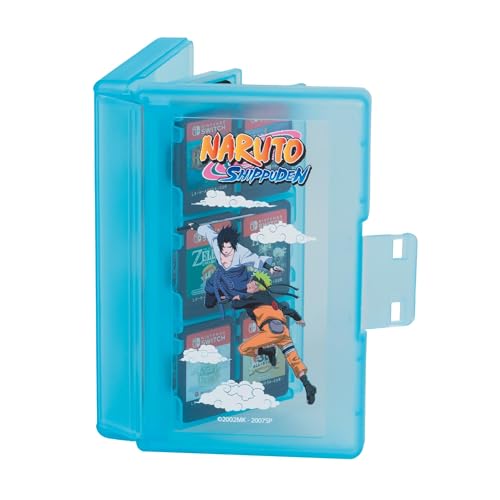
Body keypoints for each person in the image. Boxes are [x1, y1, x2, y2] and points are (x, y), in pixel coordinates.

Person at [231, 271, 317, 405]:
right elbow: (289, 311)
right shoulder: (272, 300)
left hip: (271, 331)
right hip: (283, 332)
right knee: (294, 359)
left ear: (257, 286)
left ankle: (267, 351)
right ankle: (308, 385)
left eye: (251, 283)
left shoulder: (255, 297)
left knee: (243, 348)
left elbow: (236, 305)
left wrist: (235, 299)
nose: (249, 285)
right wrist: (298, 319)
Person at [189, 222, 283, 309]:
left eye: (229, 247)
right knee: (209, 303)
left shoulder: (241, 252)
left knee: (244, 298)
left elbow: (256, 260)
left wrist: (270, 267)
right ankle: (220, 294)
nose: (225, 250)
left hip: (238, 279)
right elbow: (208, 232)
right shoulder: (216, 242)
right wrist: (196, 226)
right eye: (223, 247)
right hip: (220, 276)